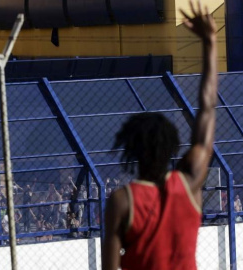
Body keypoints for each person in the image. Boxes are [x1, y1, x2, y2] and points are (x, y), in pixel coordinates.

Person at [102, 2, 218, 269]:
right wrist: (210, 42)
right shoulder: (189, 184)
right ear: (172, 147)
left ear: (132, 151)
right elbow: (208, 108)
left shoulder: (122, 202)